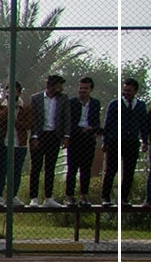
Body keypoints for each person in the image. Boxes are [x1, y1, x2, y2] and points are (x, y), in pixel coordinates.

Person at [27, 75, 70, 206]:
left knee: (50, 168)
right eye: (59, 85)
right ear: (52, 86)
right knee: (36, 167)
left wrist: (66, 136)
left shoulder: (63, 98)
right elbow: (33, 118)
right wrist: (34, 136)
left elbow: (66, 118)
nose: (62, 88)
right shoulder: (36, 98)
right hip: (39, 136)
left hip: (54, 135)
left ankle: (48, 197)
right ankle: (34, 197)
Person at [103, 77, 146, 208]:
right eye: (124, 90)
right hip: (115, 141)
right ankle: (106, 197)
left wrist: (145, 140)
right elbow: (108, 123)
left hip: (132, 141)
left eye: (129, 90)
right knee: (111, 170)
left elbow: (143, 124)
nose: (126, 93)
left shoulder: (140, 106)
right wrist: (105, 141)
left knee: (129, 171)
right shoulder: (115, 104)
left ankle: (123, 198)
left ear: (135, 91)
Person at [65, 76, 102, 205]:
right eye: (80, 88)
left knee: (86, 168)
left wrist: (94, 130)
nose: (82, 90)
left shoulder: (95, 103)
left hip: (88, 139)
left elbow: (96, 121)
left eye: (85, 88)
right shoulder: (71, 103)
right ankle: (70, 196)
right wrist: (81, 130)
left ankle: (84, 196)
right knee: (72, 168)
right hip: (75, 138)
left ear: (91, 89)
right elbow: (68, 123)